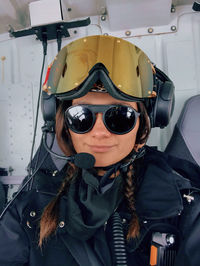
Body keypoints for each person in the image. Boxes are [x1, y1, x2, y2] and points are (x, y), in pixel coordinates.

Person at [0, 35, 200, 266]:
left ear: (144, 123)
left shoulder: (185, 204)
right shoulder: (33, 200)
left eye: (119, 117)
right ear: (64, 126)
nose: (99, 132)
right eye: (81, 117)